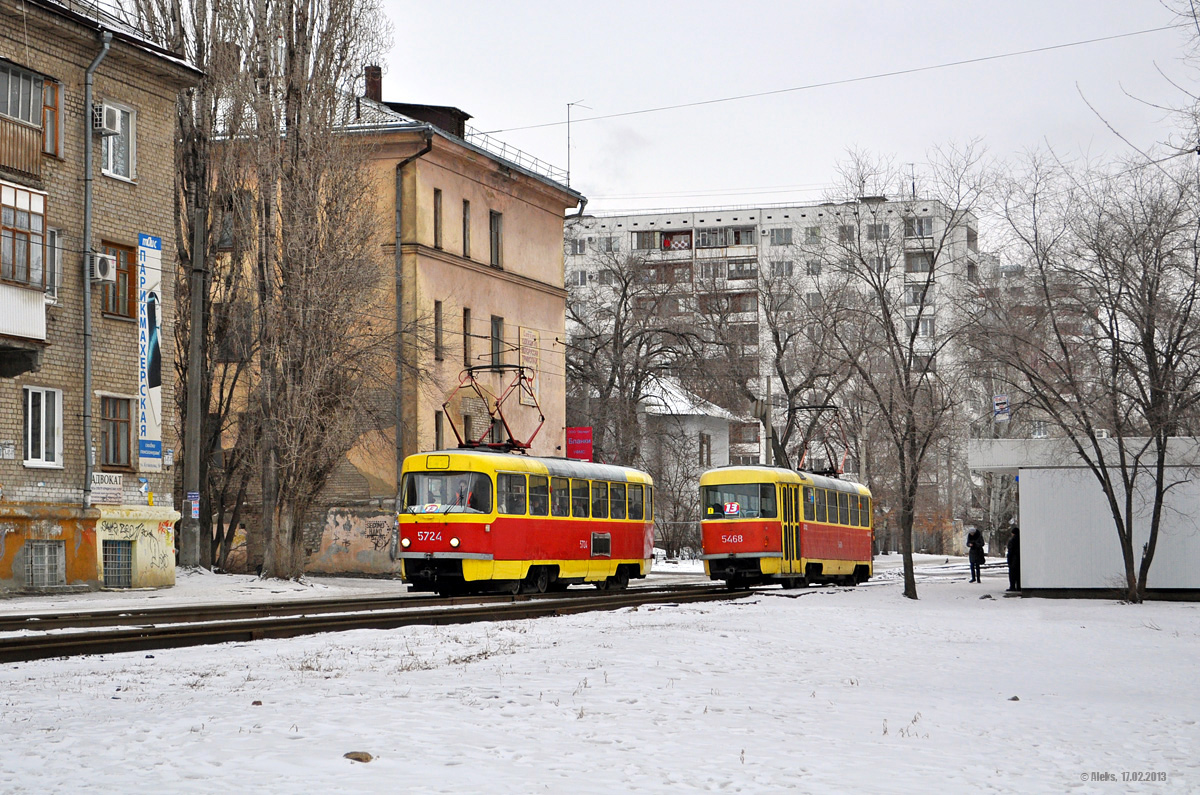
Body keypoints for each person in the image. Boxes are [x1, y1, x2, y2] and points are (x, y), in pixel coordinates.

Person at [1006, 526, 1021, 592]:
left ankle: (1012, 587)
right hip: (1019, 559)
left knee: (1012, 574)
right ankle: (1019, 586)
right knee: (1018, 574)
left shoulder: (1012, 540)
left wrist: (1009, 560)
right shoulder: (1021, 539)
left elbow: (1010, 551)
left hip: (1013, 559)